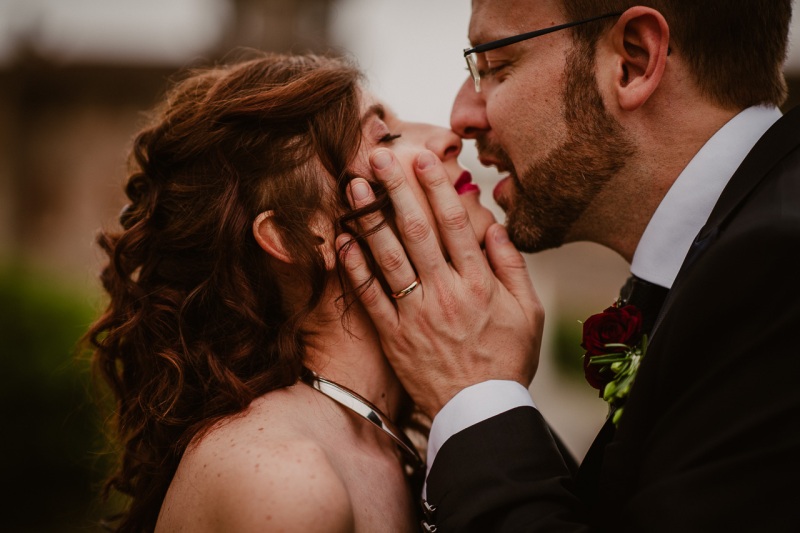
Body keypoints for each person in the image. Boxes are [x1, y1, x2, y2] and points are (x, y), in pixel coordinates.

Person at [336, 1, 800, 531]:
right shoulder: (747, 252)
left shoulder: (779, 267)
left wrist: (472, 391)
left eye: (494, 65)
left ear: (633, 60)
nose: (462, 116)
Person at [84, 51, 498, 532]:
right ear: (299, 235)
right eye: (384, 136)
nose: (449, 138)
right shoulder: (286, 482)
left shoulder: (383, 441)